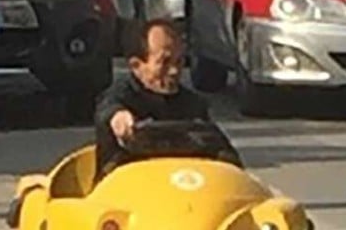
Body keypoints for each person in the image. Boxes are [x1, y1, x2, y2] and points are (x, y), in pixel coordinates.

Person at [94, 20, 242, 182]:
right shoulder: (121, 96)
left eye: (179, 62)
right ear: (137, 66)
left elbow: (220, 150)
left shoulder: (193, 105)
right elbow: (107, 106)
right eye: (164, 62)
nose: (174, 71)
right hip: (127, 192)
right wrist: (118, 117)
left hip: (183, 193)